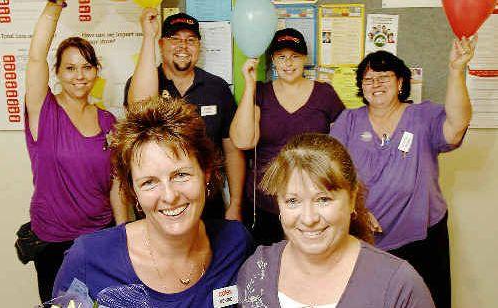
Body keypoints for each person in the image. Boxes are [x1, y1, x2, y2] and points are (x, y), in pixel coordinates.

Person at [53, 95, 252, 306]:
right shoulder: (88, 259)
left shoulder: (236, 244)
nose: (169, 196)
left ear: (207, 174)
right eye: (149, 182)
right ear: (134, 192)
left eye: (181, 175)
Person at [330, 37, 477, 308]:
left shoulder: (424, 116)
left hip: (422, 236)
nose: (376, 84)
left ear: (400, 83)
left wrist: (456, 70)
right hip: (364, 237)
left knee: (427, 300)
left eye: (384, 77)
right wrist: (356, 209)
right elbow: (331, 171)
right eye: (368, 80)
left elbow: (457, 125)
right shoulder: (348, 121)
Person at [237, 133, 435, 308]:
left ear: (351, 199)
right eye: (292, 201)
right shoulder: (257, 269)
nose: (309, 219)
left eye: (323, 199)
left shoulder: (399, 286)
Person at [24, 1, 127, 303]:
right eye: (69, 68)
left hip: (100, 237)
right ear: (56, 72)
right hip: (54, 241)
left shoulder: (108, 120)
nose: (79, 75)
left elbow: (116, 183)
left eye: (86, 67)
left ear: (96, 71)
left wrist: (121, 234)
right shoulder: (43, 111)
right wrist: (54, 7)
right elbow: (34, 58)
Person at [124, 9, 245, 221]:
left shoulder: (217, 88)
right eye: (174, 39)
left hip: (209, 203)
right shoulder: (145, 82)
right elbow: (138, 109)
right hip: (161, 202)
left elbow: (232, 151)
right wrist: (149, 36)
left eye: (191, 40)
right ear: (161, 45)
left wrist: (235, 203)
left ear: (198, 46)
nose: (183, 46)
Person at [229, 28, 345, 246]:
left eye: (295, 57)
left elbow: (343, 146)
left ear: (304, 59)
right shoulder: (261, 92)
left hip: (311, 203)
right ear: (273, 60)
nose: (288, 63)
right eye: (281, 57)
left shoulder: (325, 94)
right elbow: (243, 141)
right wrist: (250, 85)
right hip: (265, 204)